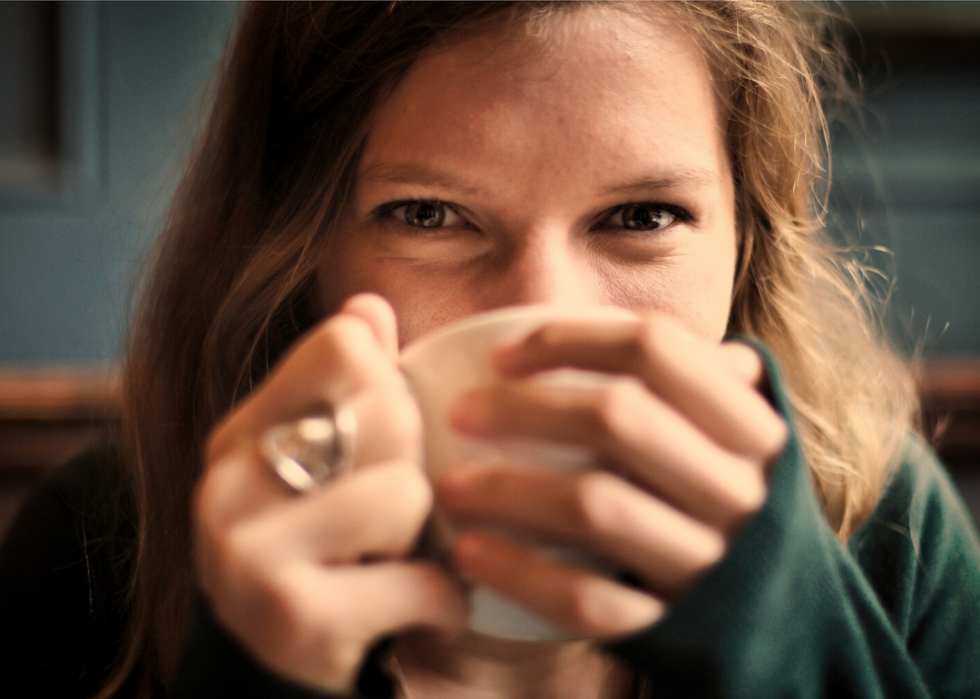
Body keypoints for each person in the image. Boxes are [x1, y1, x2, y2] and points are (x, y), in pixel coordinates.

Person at [1, 2, 978, 698]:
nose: (543, 317)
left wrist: (789, 652)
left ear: (745, 244)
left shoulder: (887, 542)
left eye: (640, 215)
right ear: (298, 253)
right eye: (427, 215)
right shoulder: (99, 551)